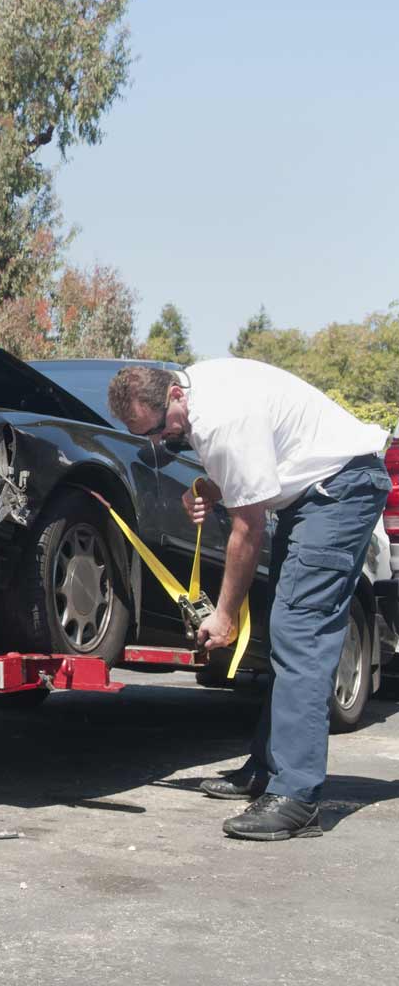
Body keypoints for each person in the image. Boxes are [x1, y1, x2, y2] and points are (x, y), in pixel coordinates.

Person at [107, 359, 390, 841]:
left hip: (340, 491)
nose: (157, 441)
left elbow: (248, 527)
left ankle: (297, 798)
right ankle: (267, 769)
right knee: (287, 626)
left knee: (299, 632)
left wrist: (223, 616)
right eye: (145, 435)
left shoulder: (219, 419)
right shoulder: (198, 397)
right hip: (312, 495)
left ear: (175, 396)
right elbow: (258, 467)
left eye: (156, 429)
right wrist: (214, 488)